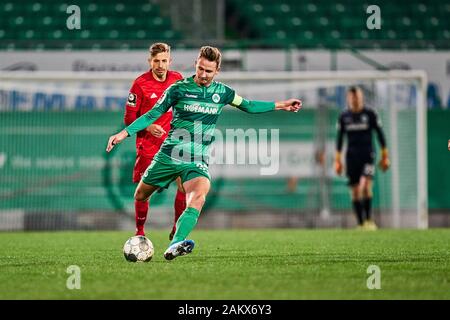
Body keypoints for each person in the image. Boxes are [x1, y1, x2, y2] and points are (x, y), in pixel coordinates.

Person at [107, 46, 301, 260]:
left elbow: (249, 105)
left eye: (208, 71)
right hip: (168, 155)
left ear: (217, 71)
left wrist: (282, 105)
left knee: (198, 196)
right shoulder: (177, 89)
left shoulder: (223, 92)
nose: (203, 74)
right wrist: (123, 134)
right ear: (195, 64)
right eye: (200, 69)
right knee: (140, 195)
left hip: (195, 160)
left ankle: (175, 243)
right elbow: (152, 114)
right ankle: (143, 230)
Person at [123, 42, 186, 239]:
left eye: (164, 61)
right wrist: (148, 126)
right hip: (148, 145)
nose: (160, 65)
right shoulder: (140, 84)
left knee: (183, 184)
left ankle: (177, 228)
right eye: (156, 61)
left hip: (172, 143)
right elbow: (128, 119)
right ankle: (140, 232)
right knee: (143, 193)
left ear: (170, 61)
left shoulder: (177, 79)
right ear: (150, 61)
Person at [334, 86, 390, 230]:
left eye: (357, 97)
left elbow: (380, 134)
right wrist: (337, 160)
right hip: (351, 157)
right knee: (355, 191)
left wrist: (385, 156)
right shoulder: (344, 116)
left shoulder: (370, 114)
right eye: (352, 97)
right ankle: (360, 223)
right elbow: (339, 140)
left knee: (365, 186)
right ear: (348, 98)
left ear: (362, 97)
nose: (355, 99)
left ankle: (369, 220)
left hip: (368, 155)